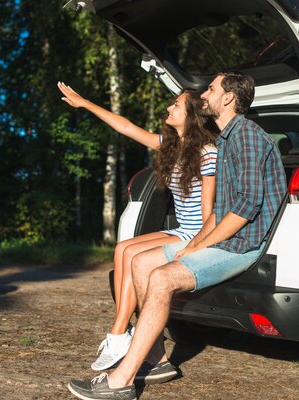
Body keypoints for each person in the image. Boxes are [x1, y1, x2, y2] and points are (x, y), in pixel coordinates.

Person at [67, 71, 288, 400]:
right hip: (220, 238)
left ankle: (120, 381)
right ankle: (156, 361)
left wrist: (198, 245)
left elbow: (245, 208)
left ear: (228, 97)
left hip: (241, 245)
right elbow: (218, 210)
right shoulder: (228, 139)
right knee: (140, 263)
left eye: (211, 89)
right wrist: (196, 244)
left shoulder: (246, 137)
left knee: (160, 278)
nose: (204, 95)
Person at [57, 82, 218, 371]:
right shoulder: (172, 146)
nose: (169, 108)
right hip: (182, 230)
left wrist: (196, 247)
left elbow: (209, 214)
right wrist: (86, 104)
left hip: (197, 234)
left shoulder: (207, 153)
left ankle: (119, 333)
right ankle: (121, 333)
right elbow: (127, 127)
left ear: (192, 115)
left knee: (132, 256)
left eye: (176, 105)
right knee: (122, 248)